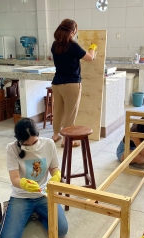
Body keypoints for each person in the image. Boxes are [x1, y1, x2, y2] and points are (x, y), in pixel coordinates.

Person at [0, 118, 68, 238]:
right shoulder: (12, 149)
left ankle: (36, 214)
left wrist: (57, 175)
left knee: (61, 231)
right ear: (19, 140)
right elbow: (14, 178)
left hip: (43, 194)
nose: (31, 146)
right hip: (21, 196)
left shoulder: (49, 144)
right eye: (26, 145)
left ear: (38, 135)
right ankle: (23, 212)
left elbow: (54, 168)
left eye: (34, 142)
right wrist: (23, 183)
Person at [50, 19, 96, 148]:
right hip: (71, 84)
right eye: (75, 31)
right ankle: (66, 141)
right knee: (70, 113)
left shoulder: (55, 45)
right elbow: (90, 58)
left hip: (57, 83)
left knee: (58, 110)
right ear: (71, 32)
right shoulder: (72, 46)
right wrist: (92, 48)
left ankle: (55, 136)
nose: (75, 33)